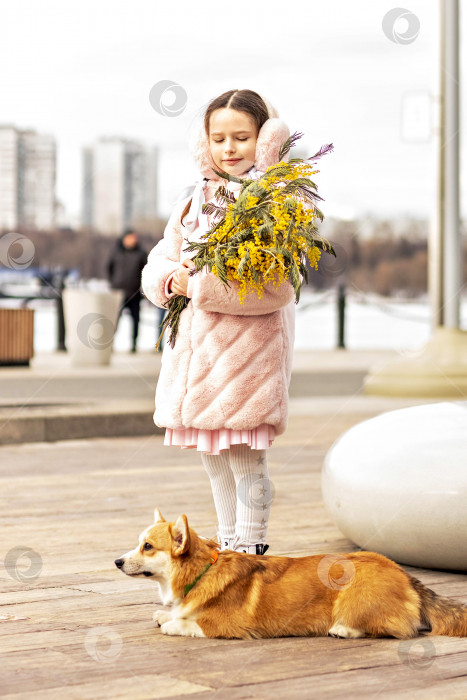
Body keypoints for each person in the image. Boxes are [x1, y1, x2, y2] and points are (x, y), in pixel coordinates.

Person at [141, 89, 295, 554]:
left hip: (246, 356)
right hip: (198, 357)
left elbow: (275, 286)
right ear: (203, 142)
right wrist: (168, 279)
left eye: (242, 137)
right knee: (214, 459)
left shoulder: (274, 204)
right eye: (219, 138)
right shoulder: (192, 203)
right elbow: (160, 259)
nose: (229, 149)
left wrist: (199, 286)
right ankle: (227, 544)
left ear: (265, 140)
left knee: (246, 460)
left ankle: (250, 548)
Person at [107, 228, 147, 352]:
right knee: (114, 319)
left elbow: (145, 271)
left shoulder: (141, 253)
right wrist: (113, 283)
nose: (133, 240)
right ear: (125, 238)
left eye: (134, 238)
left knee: (135, 320)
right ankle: (110, 343)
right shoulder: (116, 252)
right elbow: (109, 268)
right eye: (130, 238)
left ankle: (134, 344)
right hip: (118, 292)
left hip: (134, 293)